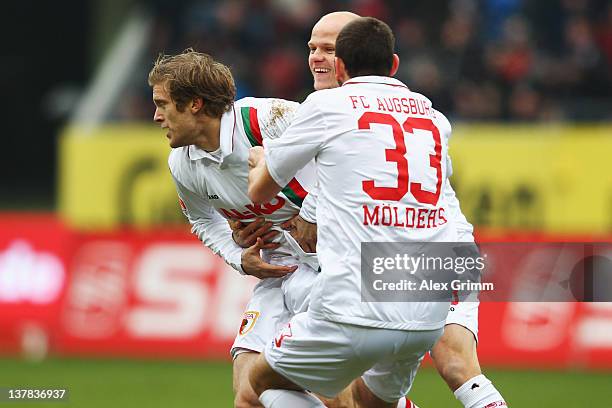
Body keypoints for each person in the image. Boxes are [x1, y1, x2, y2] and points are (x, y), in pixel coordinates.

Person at [238, 10, 507, 408]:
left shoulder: (324, 108)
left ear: (344, 61)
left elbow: (275, 199)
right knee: (419, 382)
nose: (317, 57)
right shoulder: (430, 113)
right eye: (312, 47)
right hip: (437, 258)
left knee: (253, 388)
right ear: (392, 63)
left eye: (329, 48)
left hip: (385, 269)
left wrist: (266, 170)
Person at [148, 50, 321, 408]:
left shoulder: (266, 119)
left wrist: (313, 212)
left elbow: (348, 153)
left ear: (194, 104)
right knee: (248, 395)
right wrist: (239, 257)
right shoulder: (183, 163)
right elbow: (201, 219)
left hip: (334, 268)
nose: (156, 116)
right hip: (278, 273)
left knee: (344, 396)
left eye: (163, 104)